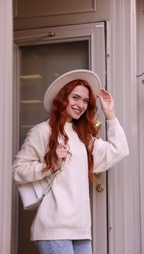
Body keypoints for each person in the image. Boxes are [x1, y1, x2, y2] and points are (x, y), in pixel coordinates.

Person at [13, 69, 129, 254]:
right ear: (63, 98)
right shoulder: (42, 132)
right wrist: (51, 164)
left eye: (85, 101)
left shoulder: (84, 136)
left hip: (81, 229)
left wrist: (110, 115)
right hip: (54, 229)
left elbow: (119, 150)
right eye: (75, 97)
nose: (81, 104)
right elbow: (18, 171)